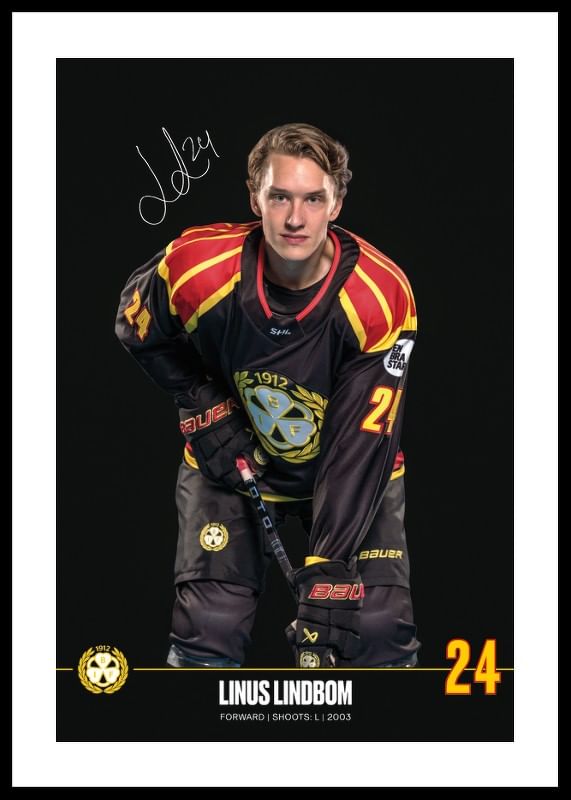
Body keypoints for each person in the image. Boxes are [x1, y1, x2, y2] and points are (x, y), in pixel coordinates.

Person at [115, 122, 421, 669]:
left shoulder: (379, 296)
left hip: (349, 470)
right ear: (255, 198)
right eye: (279, 197)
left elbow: (360, 441)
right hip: (235, 463)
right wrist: (199, 398)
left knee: (374, 629)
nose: (295, 218)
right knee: (208, 627)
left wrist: (328, 566)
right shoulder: (198, 266)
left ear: (337, 204)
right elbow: (137, 325)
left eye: (313, 199)